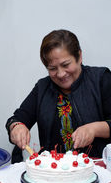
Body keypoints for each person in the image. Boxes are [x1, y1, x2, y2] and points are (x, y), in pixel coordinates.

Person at [6, 29, 111, 160]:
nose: (60, 74)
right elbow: (16, 119)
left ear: (79, 56)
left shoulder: (101, 79)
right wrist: (16, 127)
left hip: (98, 171)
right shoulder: (42, 88)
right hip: (53, 174)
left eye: (65, 64)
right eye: (52, 68)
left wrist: (94, 129)